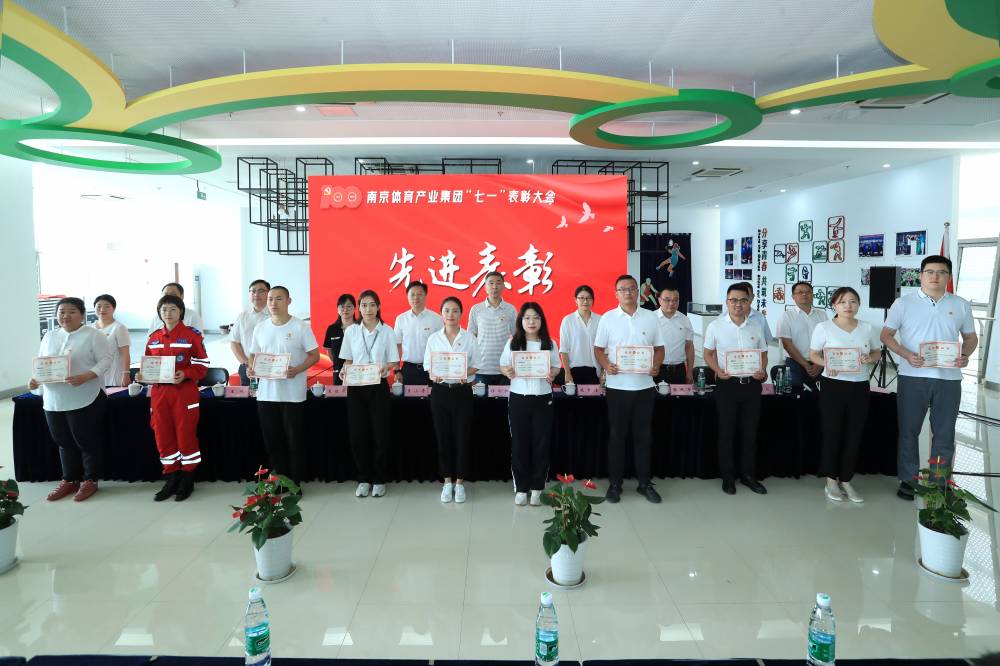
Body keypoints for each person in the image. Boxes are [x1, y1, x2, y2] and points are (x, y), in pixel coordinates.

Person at [881, 255, 977, 501]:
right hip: (913, 376)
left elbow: (970, 338)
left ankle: (940, 481)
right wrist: (906, 354)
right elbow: (886, 335)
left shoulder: (961, 304)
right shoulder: (903, 304)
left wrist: (965, 355)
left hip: (949, 379)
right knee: (908, 431)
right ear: (920, 275)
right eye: (930, 271)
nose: (935, 276)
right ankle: (908, 479)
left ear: (949, 276)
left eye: (941, 272)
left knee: (944, 433)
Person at [30, 297, 112, 502]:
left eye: (72, 311)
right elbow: (42, 364)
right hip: (53, 399)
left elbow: (106, 360)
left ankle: (90, 480)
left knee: (86, 440)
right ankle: (70, 479)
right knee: (63, 441)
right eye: (62, 312)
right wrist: (34, 381)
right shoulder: (49, 336)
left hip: (85, 396)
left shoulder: (93, 335)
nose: (66, 316)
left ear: (82, 315)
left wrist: (87, 375)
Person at [593, 274, 665, 504]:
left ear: (638, 292)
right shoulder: (607, 318)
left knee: (644, 437)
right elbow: (598, 349)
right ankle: (615, 484)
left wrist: (656, 365)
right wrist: (606, 365)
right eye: (622, 289)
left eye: (632, 288)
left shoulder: (651, 317)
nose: (628, 292)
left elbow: (659, 348)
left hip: (644, 388)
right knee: (617, 437)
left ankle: (645, 483)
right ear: (616, 294)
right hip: (617, 388)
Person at [810, 287, 881, 503]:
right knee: (832, 432)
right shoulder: (824, 327)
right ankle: (831, 480)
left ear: (858, 304)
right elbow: (813, 354)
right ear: (834, 305)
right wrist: (826, 364)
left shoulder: (867, 327)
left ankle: (847, 480)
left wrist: (871, 358)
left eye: (852, 301)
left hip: (859, 386)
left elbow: (877, 351)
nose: (848, 306)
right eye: (842, 302)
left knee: (854, 433)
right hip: (833, 385)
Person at [248, 286, 319, 489]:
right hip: (266, 395)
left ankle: (295, 483)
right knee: (273, 442)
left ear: (289, 301)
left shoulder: (300, 327)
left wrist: (297, 370)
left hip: (292, 395)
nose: (273, 303)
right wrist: (252, 368)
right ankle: (280, 482)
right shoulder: (261, 328)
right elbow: (253, 355)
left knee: (294, 441)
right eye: (270, 299)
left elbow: (314, 355)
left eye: (279, 299)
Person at [141, 294, 210, 502]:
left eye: (172, 309)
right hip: (160, 394)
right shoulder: (154, 338)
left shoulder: (191, 336)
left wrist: (186, 373)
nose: (168, 313)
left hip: (184, 393)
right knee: (162, 436)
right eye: (164, 310)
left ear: (181, 312)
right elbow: (148, 364)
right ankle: (171, 477)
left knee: (185, 435)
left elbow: (202, 365)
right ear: (159, 313)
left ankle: (187, 479)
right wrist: (143, 375)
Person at [704, 283, 769, 496]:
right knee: (727, 433)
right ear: (727, 302)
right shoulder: (715, 326)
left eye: (743, 300)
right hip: (727, 385)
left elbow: (763, 354)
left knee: (750, 433)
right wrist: (717, 370)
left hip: (751, 386)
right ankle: (728, 477)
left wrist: (762, 370)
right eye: (733, 300)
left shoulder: (756, 327)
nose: (738, 304)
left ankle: (748, 475)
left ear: (749, 302)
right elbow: (708, 354)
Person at [500, 302, 561, 506]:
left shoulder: (550, 343)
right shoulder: (513, 343)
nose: (531, 321)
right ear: (521, 321)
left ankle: (537, 487)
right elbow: (503, 365)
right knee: (519, 443)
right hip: (519, 398)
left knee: (541, 444)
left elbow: (556, 366)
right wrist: (507, 370)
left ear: (541, 320)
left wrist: (552, 373)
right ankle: (521, 487)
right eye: (527, 318)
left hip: (543, 398)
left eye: (535, 317)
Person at [340, 290, 399, 498]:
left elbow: (394, 361)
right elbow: (348, 360)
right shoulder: (351, 331)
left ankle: (379, 478)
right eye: (364, 305)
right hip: (356, 387)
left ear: (378, 307)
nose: (368, 309)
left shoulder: (387, 331)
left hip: (378, 386)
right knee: (358, 434)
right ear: (359, 308)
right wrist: (344, 370)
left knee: (380, 433)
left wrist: (387, 368)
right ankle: (363, 478)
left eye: (372, 305)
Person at [424, 296, 482, 503]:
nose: (451, 314)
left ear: (461, 314)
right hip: (440, 392)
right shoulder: (434, 339)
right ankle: (447, 482)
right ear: (442, 314)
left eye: (455, 310)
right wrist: (433, 375)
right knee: (443, 438)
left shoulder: (469, 338)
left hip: (462, 392)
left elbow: (477, 364)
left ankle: (459, 483)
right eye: (447, 310)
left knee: (462, 437)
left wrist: (466, 373)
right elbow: (428, 366)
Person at [468, 271, 517, 385]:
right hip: (481, 368)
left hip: (505, 369)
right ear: (485, 287)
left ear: (503, 286)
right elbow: (471, 338)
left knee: (504, 397)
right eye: (491, 283)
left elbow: (517, 337)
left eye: (498, 283)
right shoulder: (476, 309)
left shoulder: (510, 309)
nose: (495, 286)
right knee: (481, 397)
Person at [776, 281, 827, 390]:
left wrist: (819, 363)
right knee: (795, 394)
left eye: (808, 291)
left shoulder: (822, 315)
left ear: (813, 295)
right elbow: (787, 344)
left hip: (818, 362)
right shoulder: (786, 316)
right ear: (793, 296)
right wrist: (806, 365)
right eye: (800, 292)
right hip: (794, 363)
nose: (804, 294)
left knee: (819, 393)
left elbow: (827, 341)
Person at [394, 281, 443, 385]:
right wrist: (397, 370)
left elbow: (442, 345)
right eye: (412, 294)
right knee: (408, 396)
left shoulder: (436, 319)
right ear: (407, 296)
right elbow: (397, 346)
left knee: (431, 396)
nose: (416, 297)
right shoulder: (401, 319)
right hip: (408, 370)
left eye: (420, 294)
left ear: (425, 296)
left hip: (430, 369)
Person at [558, 285, 602, 385]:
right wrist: (567, 373)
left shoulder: (600, 320)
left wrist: (603, 372)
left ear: (593, 300)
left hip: (596, 372)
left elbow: (604, 349)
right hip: (574, 371)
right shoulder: (568, 320)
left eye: (588, 298)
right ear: (575, 300)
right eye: (581, 298)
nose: (585, 301)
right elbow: (564, 350)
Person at [229, 279, 270, 386]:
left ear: (269, 293)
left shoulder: (274, 315)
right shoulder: (243, 316)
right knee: (248, 396)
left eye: (261, 291)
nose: (256, 294)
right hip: (247, 368)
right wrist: (246, 363)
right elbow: (234, 342)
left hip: (270, 368)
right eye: (253, 291)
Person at [654, 287, 695, 385]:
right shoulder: (651, 318)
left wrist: (690, 371)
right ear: (659, 300)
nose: (672, 303)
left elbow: (689, 347)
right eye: (667, 300)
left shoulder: (684, 320)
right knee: (656, 395)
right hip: (657, 369)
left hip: (679, 370)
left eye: (675, 300)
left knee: (680, 395)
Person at [92, 294, 131, 386]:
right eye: (99, 306)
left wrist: (126, 374)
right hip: (94, 373)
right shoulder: (90, 328)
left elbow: (125, 354)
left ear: (114, 308)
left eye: (107, 306)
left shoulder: (119, 328)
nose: (102, 310)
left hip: (113, 372)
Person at [324, 294, 357, 385]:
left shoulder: (360, 328)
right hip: (338, 373)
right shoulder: (332, 329)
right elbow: (330, 352)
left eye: (349, 306)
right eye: (342, 306)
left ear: (354, 309)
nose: (345, 309)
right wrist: (338, 364)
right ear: (337, 309)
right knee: (339, 394)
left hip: (357, 372)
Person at [738, 282, 776, 347]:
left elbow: (767, 341)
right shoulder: (725, 317)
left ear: (752, 297)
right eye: (741, 295)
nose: (744, 299)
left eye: (747, 295)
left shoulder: (760, 317)